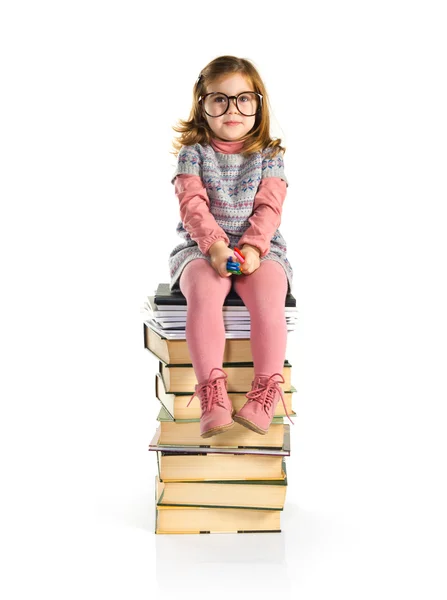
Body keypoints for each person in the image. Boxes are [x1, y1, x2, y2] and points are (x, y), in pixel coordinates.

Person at [168, 55, 294, 438]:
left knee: (269, 295)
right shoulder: (193, 154)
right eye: (219, 99)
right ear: (202, 105)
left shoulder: (270, 155)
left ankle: (266, 391)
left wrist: (254, 248)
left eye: (243, 99)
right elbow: (192, 204)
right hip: (202, 247)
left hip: (262, 246)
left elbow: (269, 205)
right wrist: (216, 247)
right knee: (205, 292)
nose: (232, 109)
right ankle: (212, 390)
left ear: (258, 104)